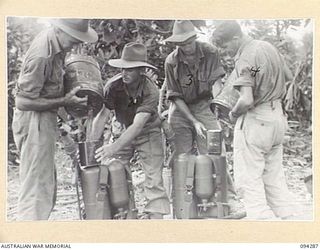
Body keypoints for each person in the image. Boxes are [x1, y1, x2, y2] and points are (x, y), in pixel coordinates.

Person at [12, 18, 98, 220]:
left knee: (45, 183)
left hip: (45, 117)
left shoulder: (57, 45)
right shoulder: (41, 55)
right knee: (36, 188)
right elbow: (23, 102)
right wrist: (64, 100)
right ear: (59, 30)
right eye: (75, 38)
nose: (77, 43)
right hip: (34, 120)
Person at [212, 20, 297, 220]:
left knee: (249, 178)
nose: (225, 52)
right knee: (274, 176)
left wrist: (233, 114)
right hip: (276, 117)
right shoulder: (268, 47)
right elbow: (287, 76)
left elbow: (246, 99)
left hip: (256, 119)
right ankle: (290, 219)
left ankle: (262, 224)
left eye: (225, 46)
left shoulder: (245, 57)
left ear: (235, 38)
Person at [163, 20, 241, 215]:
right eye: (181, 44)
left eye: (189, 43)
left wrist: (217, 106)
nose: (186, 48)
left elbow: (216, 82)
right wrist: (193, 121)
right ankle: (183, 205)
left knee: (215, 151)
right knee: (182, 157)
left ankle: (228, 200)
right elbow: (175, 96)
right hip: (180, 110)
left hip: (204, 105)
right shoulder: (171, 62)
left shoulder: (210, 52)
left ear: (194, 39)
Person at [91, 42, 170, 219]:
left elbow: (138, 125)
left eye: (130, 69)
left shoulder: (151, 90)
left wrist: (113, 147)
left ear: (141, 70)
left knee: (153, 175)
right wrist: (92, 146)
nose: (124, 73)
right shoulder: (113, 86)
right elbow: (102, 116)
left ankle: (156, 215)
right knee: (118, 171)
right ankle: (127, 212)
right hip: (123, 130)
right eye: (123, 69)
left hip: (148, 131)